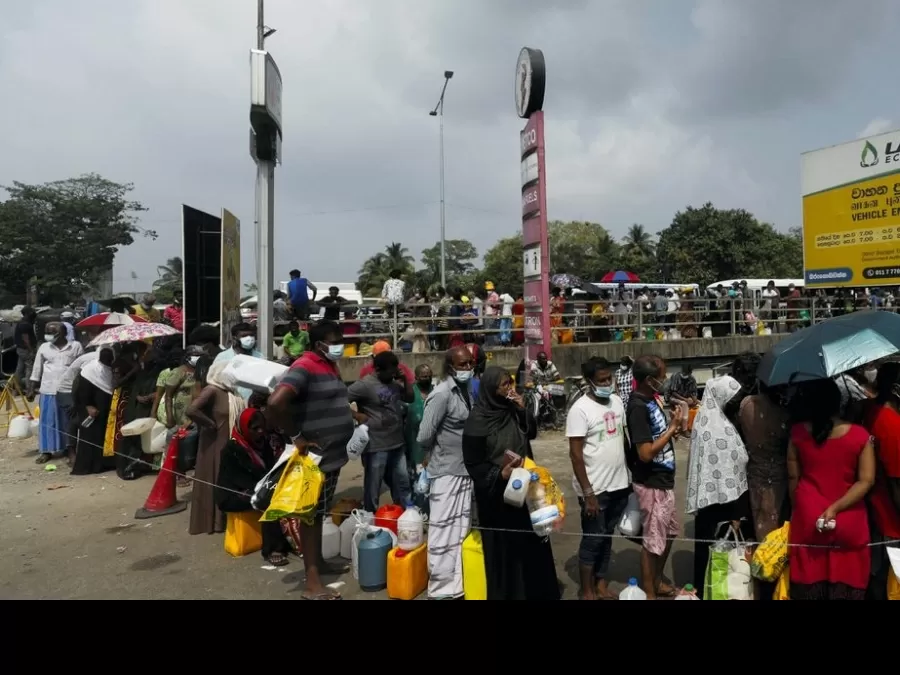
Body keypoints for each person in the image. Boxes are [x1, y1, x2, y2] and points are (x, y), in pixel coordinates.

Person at [267, 321, 355, 600]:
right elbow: (275, 403)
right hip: (316, 458)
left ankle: (318, 563)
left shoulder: (328, 364)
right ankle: (312, 582)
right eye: (335, 340)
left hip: (332, 455)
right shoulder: (304, 366)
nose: (340, 344)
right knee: (311, 516)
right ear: (319, 345)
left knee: (319, 512)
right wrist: (297, 436)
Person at [462, 366, 560, 600]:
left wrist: (522, 409)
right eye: (504, 385)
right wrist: (499, 474)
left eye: (511, 383)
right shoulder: (478, 420)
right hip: (497, 499)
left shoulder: (512, 409)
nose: (510, 389)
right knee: (506, 553)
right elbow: (473, 463)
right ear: (490, 389)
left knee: (533, 544)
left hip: (525, 490)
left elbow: (531, 433)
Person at [787, 380, 874, 600]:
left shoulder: (797, 433)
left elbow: (793, 478)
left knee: (808, 583)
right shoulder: (860, 435)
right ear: (839, 402)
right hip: (849, 517)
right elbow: (866, 481)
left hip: (809, 516)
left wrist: (798, 509)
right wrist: (835, 508)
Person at [566, 357, 631, 600]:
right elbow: (575, 454)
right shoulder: (580, 410)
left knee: (606, 538)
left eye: (608, 378)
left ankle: (601, 584)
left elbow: (622, 440)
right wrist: (588, 492)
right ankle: (587, 589)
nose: (606, 383)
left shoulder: (616, 401)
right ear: (589, 382)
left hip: (619, 483)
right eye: (601, 380)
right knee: (592, 539)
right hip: (595, 488)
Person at [685, 375, 752, 599]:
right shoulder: (719, 429)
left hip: (708, 505)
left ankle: (706, 591)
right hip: (724, 507)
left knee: (709, 556)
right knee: (722, 560)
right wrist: (737, 513)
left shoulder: (706, 420)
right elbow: (731, 472)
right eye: (733, 398)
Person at [416, 347, 475, 599]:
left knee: (460, 530)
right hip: (446, 472)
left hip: (464, 471)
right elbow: (423, 436)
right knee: (442, 532)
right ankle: (440, 589)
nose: (468, 368)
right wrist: (431, 455)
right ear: (450, 367)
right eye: (462, 364)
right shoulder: (441, 395)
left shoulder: (465, 392)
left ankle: (457, 585)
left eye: (470, 363)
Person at [625, 355, 683, 599]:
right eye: (661, 377)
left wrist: (672, 429)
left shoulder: (653, 399)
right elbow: (646, 453)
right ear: (649, 380)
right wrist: (671, 430)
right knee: (652, 542)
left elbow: (657, 437)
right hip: (652, 482)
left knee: (667, 534)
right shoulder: (638, 407)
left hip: (664, 479)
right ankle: (649, 592)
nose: (665, 380)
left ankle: (657, 581)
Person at [216, 408, 293, 566]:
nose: (260, 432)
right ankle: (272, 549)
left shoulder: (262, 443)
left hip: (256, 485)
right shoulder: (232, 449)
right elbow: (238, 479)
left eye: (262, 428)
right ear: (244, 428)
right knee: (267, 501)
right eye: (255, 429)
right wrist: (268, 488)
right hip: (233, 493)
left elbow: (270, 469)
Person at [185, 361, 246, 535]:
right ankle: (213, 522)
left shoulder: (231, 392)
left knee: (226, 478)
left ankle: (225, 520)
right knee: (215, 477)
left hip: (228, 441)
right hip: (215, 442)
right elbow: (191, 410)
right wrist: (210, 424)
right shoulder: (212, 390)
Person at [349, 351, 414, 513]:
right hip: (376, 445)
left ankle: (406, 514)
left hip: (397, 442)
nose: (393, 375)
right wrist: (356, 415)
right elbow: (340, 399)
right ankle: (370, 516)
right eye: (389, 372)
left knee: (403, 482)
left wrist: (405, 380)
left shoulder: (393, 383)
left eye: (395, 371)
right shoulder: (365, 385)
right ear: (378, 369)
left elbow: (410, 398)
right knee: (373, 485)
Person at [863, 362, 900, 600]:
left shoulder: (868, 412)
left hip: (874, 513)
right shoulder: (892, 425)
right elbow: (898, 483)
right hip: (892, 521)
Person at [739, 383, 791, 544]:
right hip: (778, 474)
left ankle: (762, 558)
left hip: (754, 470)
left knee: (759, 514)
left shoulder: (747, 404)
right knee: (776, 518)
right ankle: (772, 559)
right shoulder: (783, 413)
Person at [31, 322, 84, 463]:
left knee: (68, 421)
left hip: (67, 390)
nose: (48, 335)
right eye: (47, 331)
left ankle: (68, 448)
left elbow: (81, 368)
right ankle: (46, 451)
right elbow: (37, 369)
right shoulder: (44, 347)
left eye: (52, 332)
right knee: (47, 422)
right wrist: (31, 388)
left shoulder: (75, 346)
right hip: (48, 390)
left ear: (63, 333)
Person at [117, 347, 163, 480]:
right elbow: (135, 391)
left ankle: (143, 464)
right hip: (137, 410)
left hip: (150, 409)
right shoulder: (141, 373)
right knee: (133, 437)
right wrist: (139, 397)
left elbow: (160, 391)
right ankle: (131, 465)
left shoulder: (160, 372)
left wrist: (150, 396)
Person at [70, 348, 116, 475]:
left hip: (103, 408)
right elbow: (82, 390)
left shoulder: (108, 369)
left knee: (100, 436)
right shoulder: (90, 369)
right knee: (89, 437)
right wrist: (88, 406)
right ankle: (86, 467)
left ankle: (100, 465)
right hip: (90, 408)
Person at [58, 348, 100, 464]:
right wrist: (76, 403)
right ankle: (71, 452)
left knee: (89, 420)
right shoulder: (93, 360)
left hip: (83, 390)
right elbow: (77, 382)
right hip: (67, 390)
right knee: (76, 419)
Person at [212, 322, 264, 400]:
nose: (249, 338)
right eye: (244, 336)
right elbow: (215, 382)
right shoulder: (223, 357)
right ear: (234, 338)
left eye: (251, 335)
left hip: (253, 403)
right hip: (230, 403)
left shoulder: (260, 357)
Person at [404, 364, 432, 508]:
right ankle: (417, 509)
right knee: (417, 482)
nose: (426, 378)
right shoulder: (410, 394)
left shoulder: (436, 392)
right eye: (423, 376)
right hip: (414, 447)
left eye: (429, 376)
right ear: (416, 378)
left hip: (433, 448)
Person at [14, 306, 37, 398]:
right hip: (25, 349)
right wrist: (31, 350)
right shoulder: (25, 324)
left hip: (20, 350)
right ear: (27, 313)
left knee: (19, 369)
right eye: (32, 312)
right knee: (29, 368)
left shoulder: (21, 322)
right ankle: (29, 390)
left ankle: (16, 389)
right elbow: (26, 339)